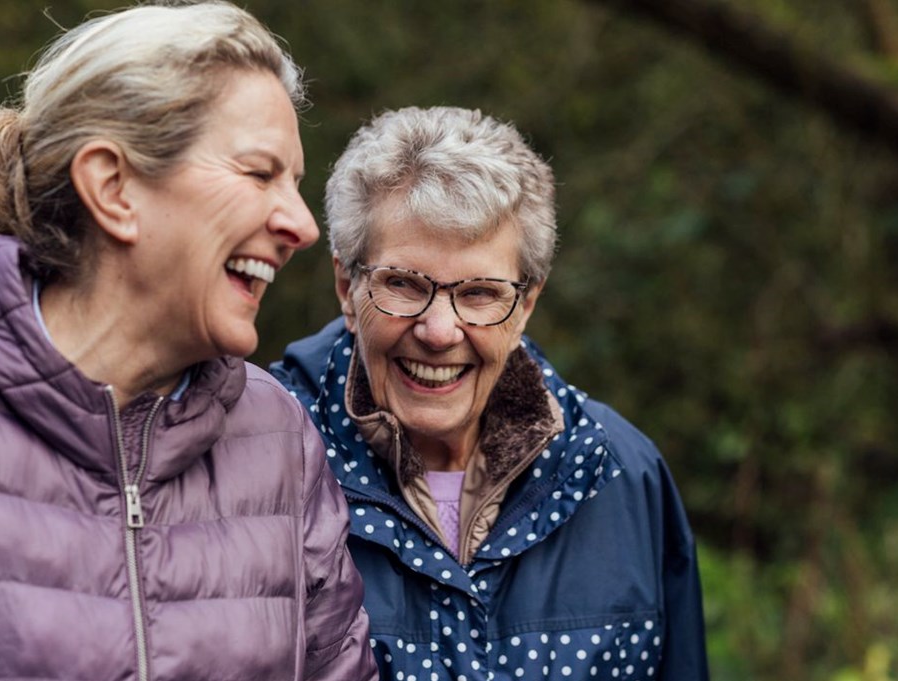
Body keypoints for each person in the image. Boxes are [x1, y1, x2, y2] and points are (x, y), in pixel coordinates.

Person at [0, 3, 377, 680]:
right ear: (114, 188)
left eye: (295, 183)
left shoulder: (276, 434)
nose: (301, 224)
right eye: (260, 174)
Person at [272, 106, 709, 680]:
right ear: (346, 288)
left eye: (479, 293)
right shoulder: (257, 461)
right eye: (402, 284)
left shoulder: (622, 474)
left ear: (526, 304)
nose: (439, 331)